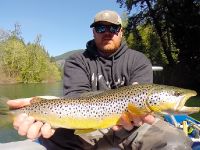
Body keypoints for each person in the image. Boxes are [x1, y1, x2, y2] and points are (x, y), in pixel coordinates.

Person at [6, 10, 193, 150]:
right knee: (49, 136)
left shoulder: (138, 60)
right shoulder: (77, 60)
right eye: (101, 27)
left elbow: (143, 107)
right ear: (93, 32)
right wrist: (45, 106)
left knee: (177, 142)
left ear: (121, 32)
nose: (107, 32)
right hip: (87, 125)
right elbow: (75, 100)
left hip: (135, 127)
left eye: (114, 28)